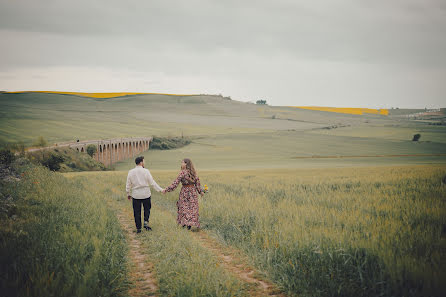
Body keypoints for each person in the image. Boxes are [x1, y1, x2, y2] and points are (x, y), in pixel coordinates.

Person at [162, 158, 203, 230]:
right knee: (192, 208)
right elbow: (198, 184)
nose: (181, 164)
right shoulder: (194, 173)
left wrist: (167, 189)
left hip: (185, 192)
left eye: (182, 163)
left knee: (184, 207)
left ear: (186, 164)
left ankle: (184, 223)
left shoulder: (182, 173)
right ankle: (189, 224)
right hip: (193, 192)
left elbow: (175, 183)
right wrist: (200, 191)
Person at [126, 156, 163, 233]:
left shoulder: (131, 172)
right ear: (141, 162)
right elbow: (152, 182)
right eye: (144, 161)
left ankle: (138, 228)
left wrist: (128, 193)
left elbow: (128, 184)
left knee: (136, 211)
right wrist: (160, 190)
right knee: (147, 209)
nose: (144, 163)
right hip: (146, 194)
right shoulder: (146, 171)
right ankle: (146, 223)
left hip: (136, 195)